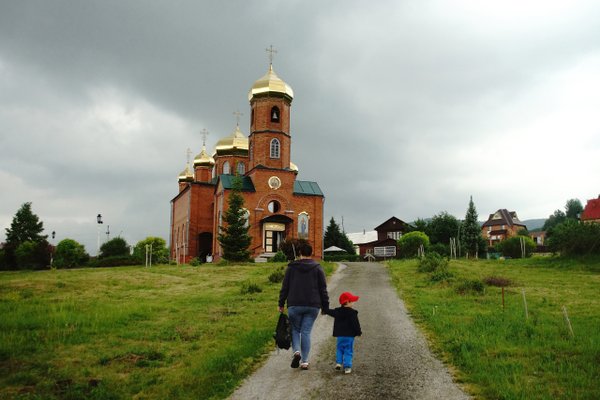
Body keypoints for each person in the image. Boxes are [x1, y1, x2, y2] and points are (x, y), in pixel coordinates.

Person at [278, 242, 329, 370]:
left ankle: (296, 352)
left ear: (300, 253)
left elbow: (285, 287)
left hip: (294, 304)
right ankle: (305, 361)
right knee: (306, 332)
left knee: (295, 330)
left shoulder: (291, 268)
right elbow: (323, 289)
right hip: (313, 305)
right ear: (311, 253)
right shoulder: (318, 268)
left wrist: (281, 303)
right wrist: (325, 306)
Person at [324, 291, 362, 374]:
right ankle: (347, 367)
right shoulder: (352, 313)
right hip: (349, 336)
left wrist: (325, 309)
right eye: (352, 301)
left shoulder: (337, 311)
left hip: (340, 336)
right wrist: (358, 332)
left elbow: (329, 311)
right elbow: (356, 324)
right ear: (347, 302)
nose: (353, 303)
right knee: (348, 350)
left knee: (339, 349)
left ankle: (338, 363)